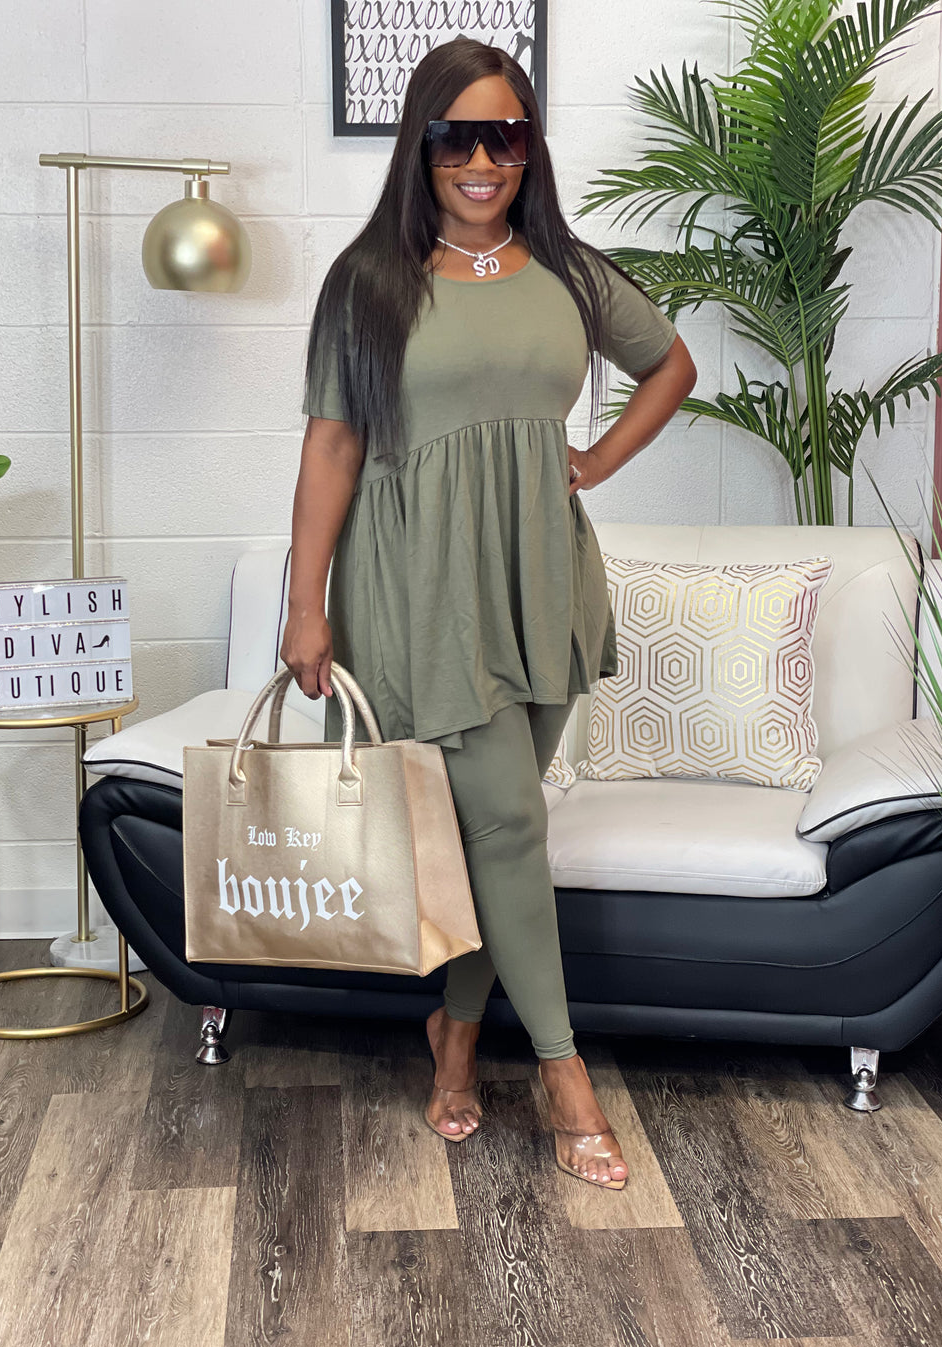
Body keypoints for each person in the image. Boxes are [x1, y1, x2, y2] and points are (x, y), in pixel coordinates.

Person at [281, 36, 696, 1189]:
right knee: (510, 822)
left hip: (542, 581)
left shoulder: (567, 270)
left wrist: (596, 461)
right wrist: (304, 603)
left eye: (503, 136)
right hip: (419, 588)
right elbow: (332, 445)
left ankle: (454, 1038)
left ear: (529, 145)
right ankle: (566, 1077)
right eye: (455, 137)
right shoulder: (369, 281)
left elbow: (672, 365)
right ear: (421, 148)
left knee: (487, 834)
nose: (480, 161)